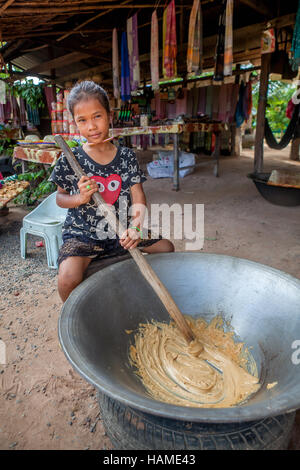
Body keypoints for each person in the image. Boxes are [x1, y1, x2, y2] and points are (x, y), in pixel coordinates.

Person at [49, 81, 174, 303]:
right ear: (75, 123)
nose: (92, 126)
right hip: (83, 232)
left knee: (166, 248)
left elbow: (138, 196)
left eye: (97, 116)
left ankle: (148, 295)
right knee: (67, 279)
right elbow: (59, 198)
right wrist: (80, 198)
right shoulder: (71, 159)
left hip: (123, 230)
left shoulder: (126, 157)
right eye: (82, 120)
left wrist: (135, 228)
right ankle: (76, 319)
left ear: (109, 115)